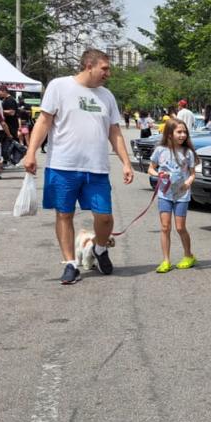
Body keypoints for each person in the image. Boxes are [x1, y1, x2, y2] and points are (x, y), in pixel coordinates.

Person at [22, 48, 133, 286]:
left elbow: (115, 132)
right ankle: (70, 264)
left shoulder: (107, 96)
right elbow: (44, 121)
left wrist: (126, 162)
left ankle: (100, 249)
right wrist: (30, 152)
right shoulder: (59, 86)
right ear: (89, 66)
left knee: (104, 218)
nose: (108, 73)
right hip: (63, 165)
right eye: (105, 68)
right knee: (64, 214)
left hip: (97, 168)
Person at [147, 118, 197, 273]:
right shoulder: (160, 150)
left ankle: (188, 255)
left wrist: (188, 182)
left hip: (181, 195)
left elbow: (192, 174)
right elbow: (150, 169)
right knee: (165, 227)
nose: (182, 135)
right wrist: (158, 174)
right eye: (179, 132)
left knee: (180, 227)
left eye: (184, 132)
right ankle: (166, 260)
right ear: (169, 134)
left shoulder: (188, 152)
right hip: (164, 193)